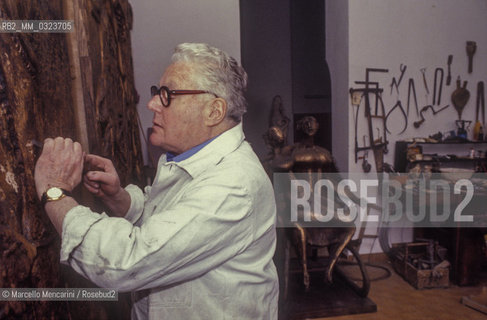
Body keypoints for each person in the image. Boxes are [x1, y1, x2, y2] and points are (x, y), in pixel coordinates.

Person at [34, 43, 279, 319]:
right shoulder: (189, 157)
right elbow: (170, 219)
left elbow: (126, 261)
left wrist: (55, 191)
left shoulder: (234, 185)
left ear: (214, 111)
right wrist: (121, 200)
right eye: (156, 92)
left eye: (168, 95)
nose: (152, 104)